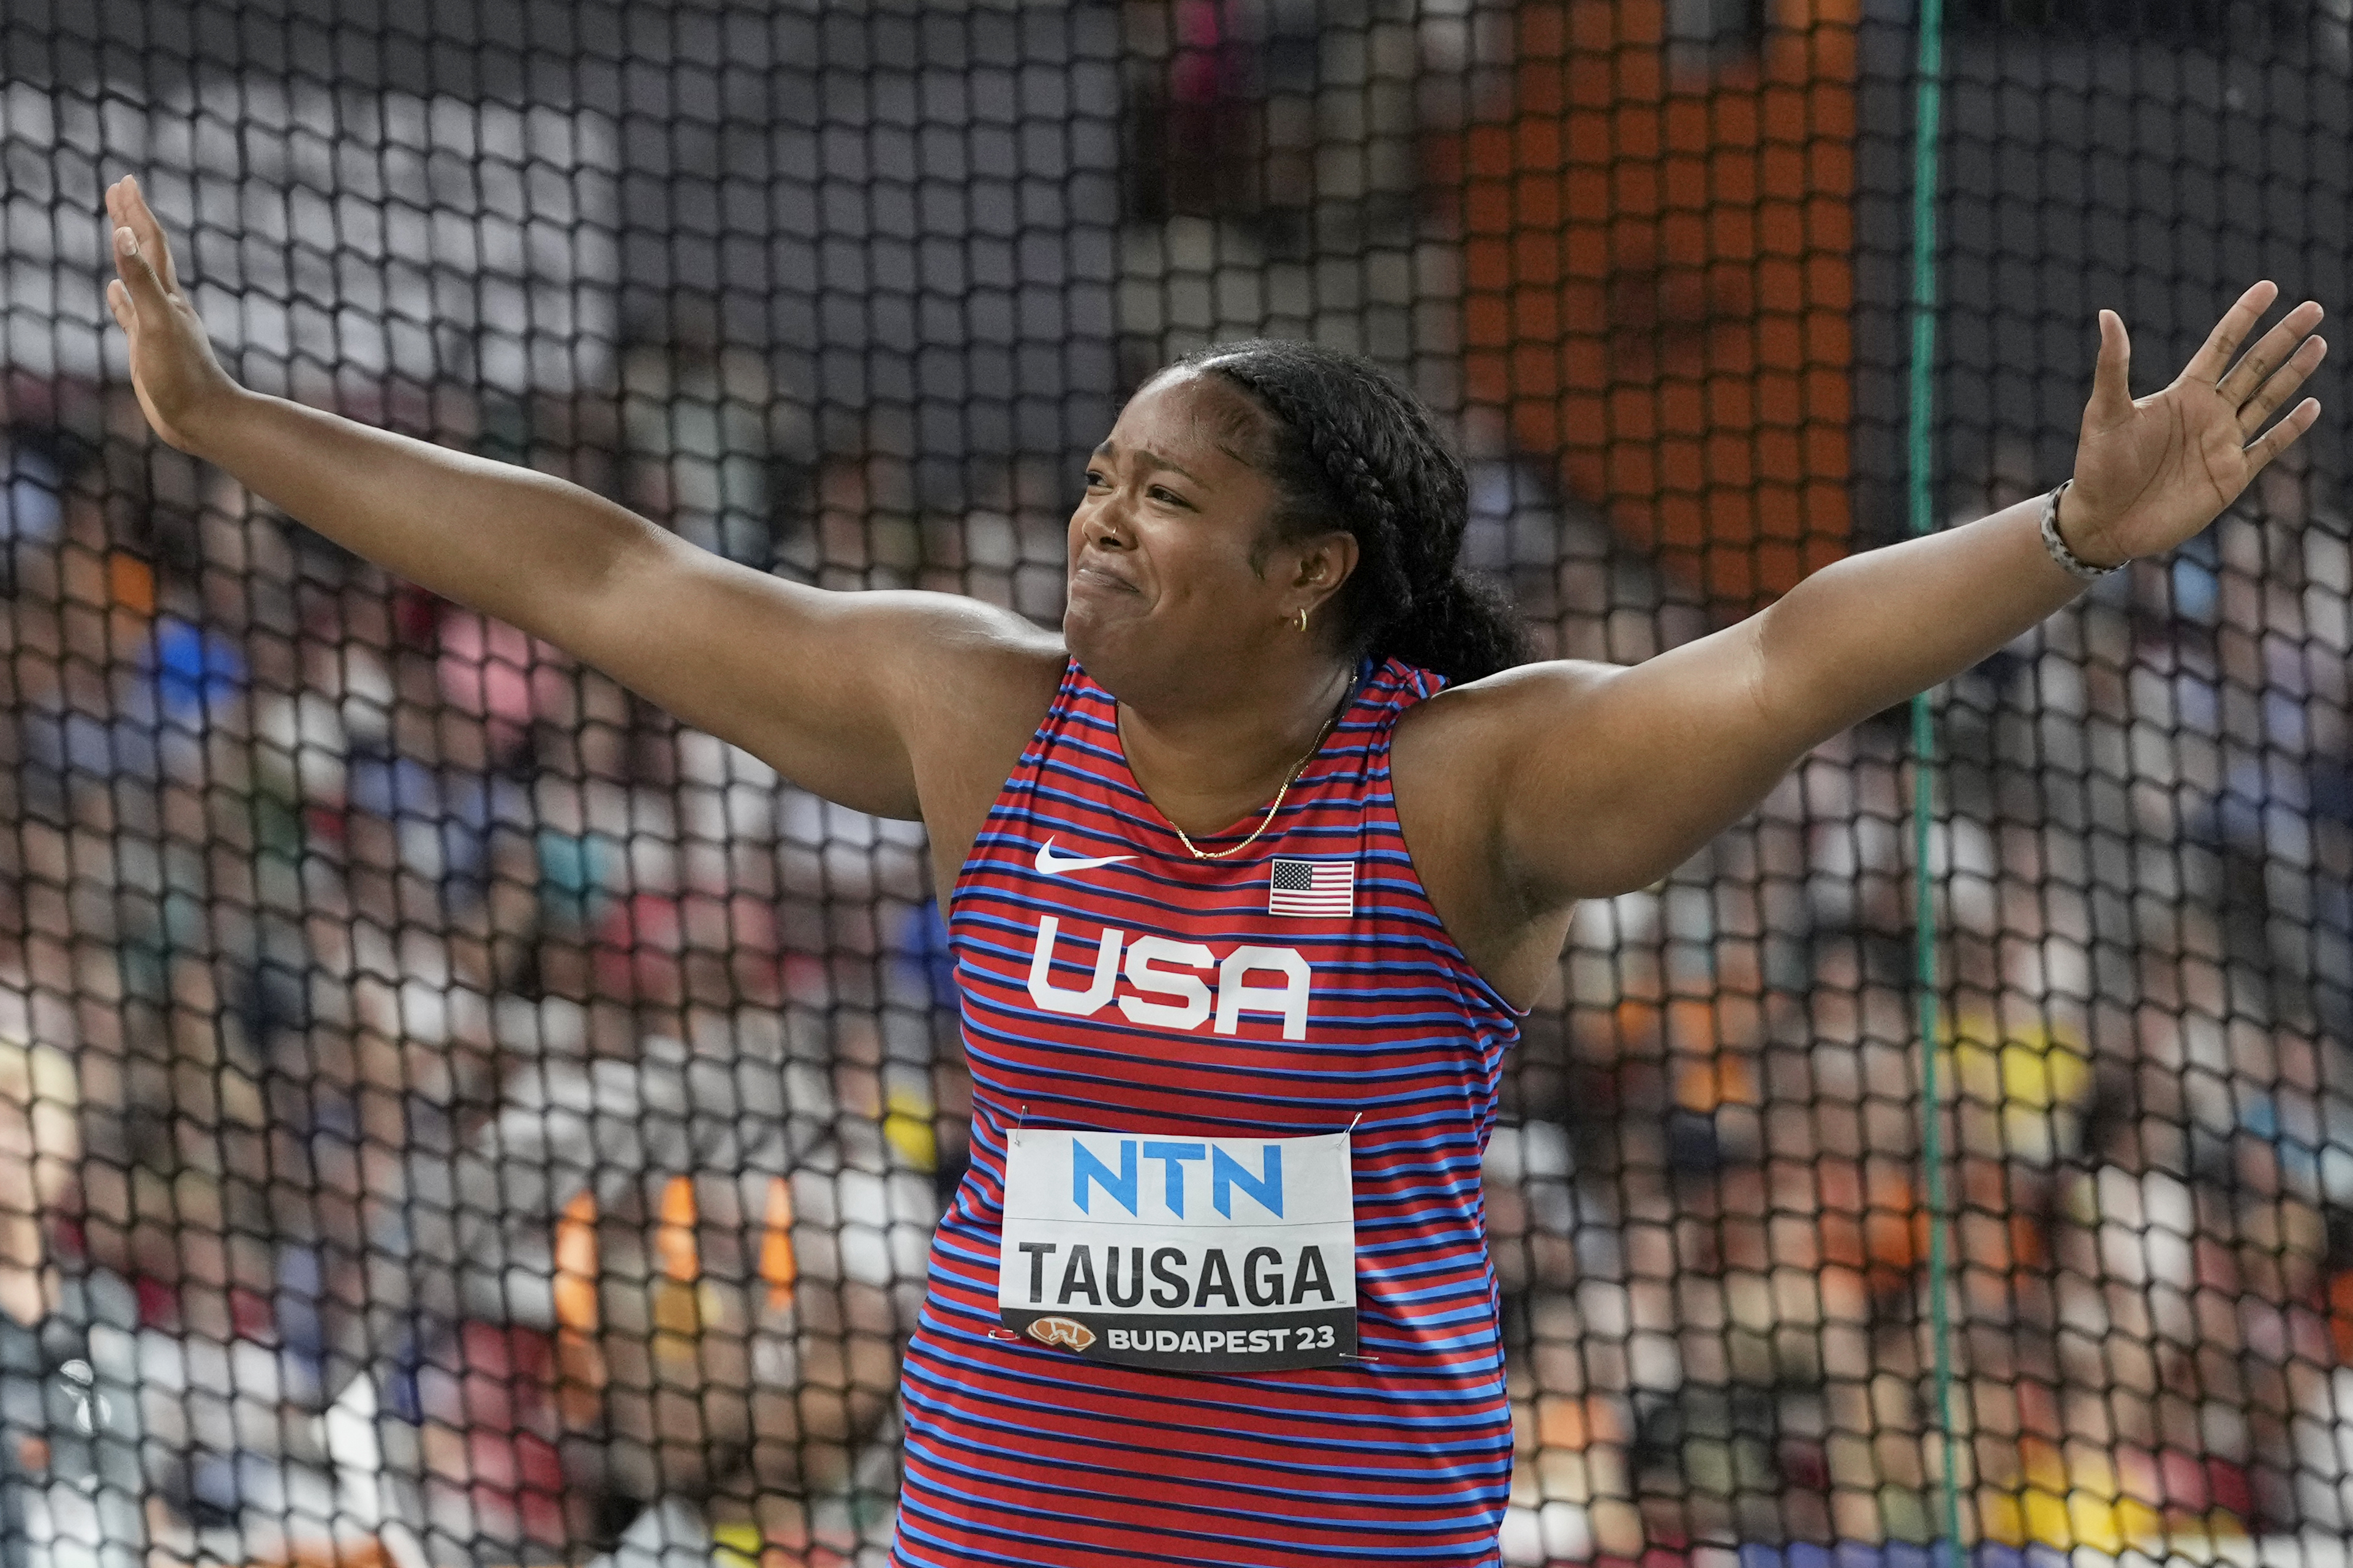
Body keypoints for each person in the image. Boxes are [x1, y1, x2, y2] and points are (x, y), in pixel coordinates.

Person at [97, 171, 2326, 1565]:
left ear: (1312, 567)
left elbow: (1777, 663)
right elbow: (602, 565)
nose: (1094, 515)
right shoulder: (974, 717)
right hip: (993, 1536)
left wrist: (2059, 541)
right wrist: (229, 422)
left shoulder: (1467, 791)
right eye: (1098, 473)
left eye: (1161, 495)